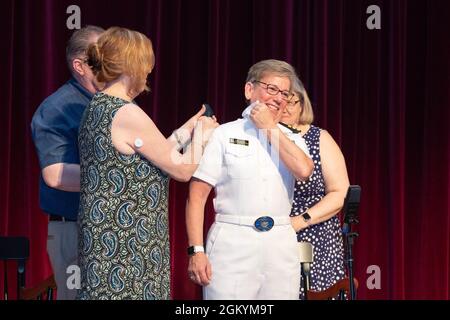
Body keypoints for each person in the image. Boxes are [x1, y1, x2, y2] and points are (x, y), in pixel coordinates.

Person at [77, 27, 218, 300]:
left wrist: (189, 129)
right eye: (147, 65)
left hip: (109, 237)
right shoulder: (126, 112)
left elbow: (155, 154)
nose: (149, 72)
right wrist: (202, 136)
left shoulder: (98, 106)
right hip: (127, 246)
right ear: (133, 65)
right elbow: (180, 169)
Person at [185, 59, 314, 299]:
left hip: (280, 242)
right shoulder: (224, 134)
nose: (278, 98)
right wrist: (197, 250)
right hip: (233, 240)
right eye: (271, 89)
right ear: (249, 90)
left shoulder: (293, 139)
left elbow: (304, 170)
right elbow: (197, 195)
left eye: (285, 93)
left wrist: (270, 128)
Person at [31, 25, 105, 300]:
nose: (114, 63)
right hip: (73, 229)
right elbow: (55, 175)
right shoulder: (57, 108)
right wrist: (116, 177)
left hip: (107, 227)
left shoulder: (111, 106)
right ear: (80, 65)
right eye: (104, 56)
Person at [281, 80, 350, 299]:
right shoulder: (261, 138)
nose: (287, 107)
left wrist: (300, 221)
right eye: (283, 101)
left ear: (303, 105)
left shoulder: (318, 138)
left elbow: (340, 192)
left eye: (294, 101)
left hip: (315, 235)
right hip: (271, 234)